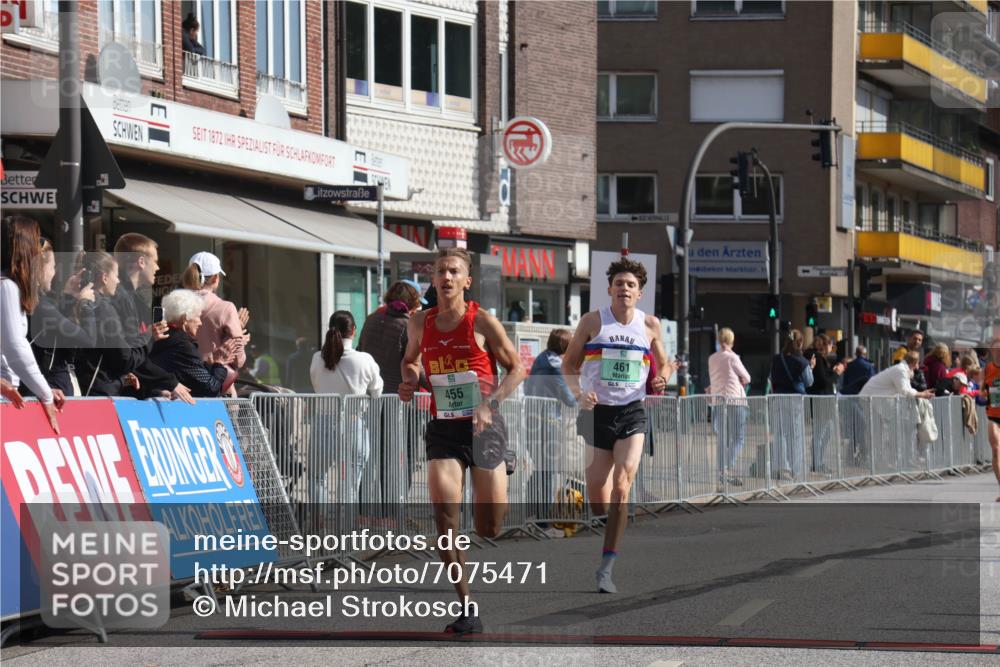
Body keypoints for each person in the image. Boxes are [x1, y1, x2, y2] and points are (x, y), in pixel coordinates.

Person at [398, 248, 526, 634]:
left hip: (485, 428)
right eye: (440, 271)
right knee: (445, 520)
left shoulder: (482, 321)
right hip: (444, 430)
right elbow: (410, 361)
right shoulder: (419, 322)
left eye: (454, 271)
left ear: (466, 281)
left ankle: (504, 464)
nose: (446, 277)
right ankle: (467, 607)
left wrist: (490, 403)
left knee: (489, 527)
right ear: (433, 280)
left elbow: (517, 369)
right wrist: (409, 380)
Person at [562, 256, 673, 595]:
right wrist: (580, 392)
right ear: (609, 289)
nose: (624, 289)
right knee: (598, 493)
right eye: (619, 284)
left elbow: (665, 364)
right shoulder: (593, 322)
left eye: (631, 285)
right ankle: (605, 520)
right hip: (597, 413)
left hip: (632, 411)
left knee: (622, 485)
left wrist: (662, 379)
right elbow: (569, 364)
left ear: (639, 294)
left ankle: (606, 567)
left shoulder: (649, 324)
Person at [311, 311, 383, 505]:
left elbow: (316, 385)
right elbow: (377, 391)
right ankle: (347, 527)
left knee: (317, 478)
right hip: (354, 422)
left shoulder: (318, 358)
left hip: (323, 423)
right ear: (354, 331)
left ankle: (320, 526)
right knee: (351, 481)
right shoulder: (364, 360)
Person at [113, 233, 193, 403]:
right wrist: (170, 382)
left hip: (122, 390)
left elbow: (134, 356)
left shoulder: (133, 299)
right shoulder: (120, 297)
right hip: (110, 394)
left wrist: (153, 389)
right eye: (155, 261)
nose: (157, 267)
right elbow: (126, 355)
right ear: (141, 262)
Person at [74, 251, 164, 398]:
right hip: (98, 393)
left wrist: (121, 378)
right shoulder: (104, 308)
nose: (118, 281)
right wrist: (149, 337)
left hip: (86, 387)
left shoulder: (77, 301)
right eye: (115, 275)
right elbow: (124, 359)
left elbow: (107, 355)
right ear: (104, 277)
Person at [1, 216, 62, 432]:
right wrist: (44, 394)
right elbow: (15, 348)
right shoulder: (7, 287)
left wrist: (42, 388)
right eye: (36, 242)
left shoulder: (8, 287)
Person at [28, 239, 96, 396]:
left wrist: (68, 297)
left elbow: (52, 328)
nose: (54, 273)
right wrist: (86, 304)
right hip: (48, 390)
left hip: (41, 387)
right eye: (52, 267)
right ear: (39, 268)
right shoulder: (39, 304)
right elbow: (88, 339)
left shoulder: (30, 300)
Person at [524, 329, 576, 534]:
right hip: (547, 423)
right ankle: (543, 520)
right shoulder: (556, 366)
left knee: (540, 468)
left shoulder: (540, 359)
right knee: (547, 470)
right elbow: (569, 399)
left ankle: (530, 512)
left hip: (530, 420)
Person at [150, 289, 240, 398]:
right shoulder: (182, 346)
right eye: (197, 316)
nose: (200, 322)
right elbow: (210, 388)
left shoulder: (161, 337)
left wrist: (209, 365)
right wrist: (220, 363)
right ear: (184, 319)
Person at [181, 251, 248, 386]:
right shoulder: (225, 308)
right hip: (215, 383)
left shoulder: (176, 305)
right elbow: (238, 360)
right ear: (215, 278)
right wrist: (238, 334)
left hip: (183, 384)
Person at [358, 279, 425, 394]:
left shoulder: (371, 319)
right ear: (412, 304)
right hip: (395, 396)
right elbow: (416, 364)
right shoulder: (408, 326)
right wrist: (437, 390)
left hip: (368, 392)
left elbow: (360, 350)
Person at [707, 327, 751, 486]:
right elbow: (747, 377)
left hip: (718, 400)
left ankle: (721, 470)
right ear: (732, 341)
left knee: (722, 438)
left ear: (719, 340)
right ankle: (727, 467)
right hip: (735, 400)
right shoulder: (732, 358)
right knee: (738, 437)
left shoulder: (712, 358)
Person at [768, 330, 813, 481]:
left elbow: (771, 377)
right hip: (795, 400)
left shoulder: (776, 359)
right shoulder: (802, 362)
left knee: (780, 434)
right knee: (795, 435)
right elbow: (809, 382)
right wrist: (810, 367)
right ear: (800, 343)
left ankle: (782, 467)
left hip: (778, 399)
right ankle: (796, 469)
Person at [805, 334, 843, 474]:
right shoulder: (818, 359)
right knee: (821, 433)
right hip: (821, 400)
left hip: (822, 400)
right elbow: (823, 381)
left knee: (826, 432)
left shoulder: (818, 359)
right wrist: (837, 374)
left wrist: (832, 372)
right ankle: (817, 463)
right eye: (830, 344)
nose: (831, 348)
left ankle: (818, 461)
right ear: (824, 345)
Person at [860, 351, 935, 399]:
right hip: (869, 398)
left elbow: (907, 389)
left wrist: (923, 393)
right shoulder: (900, 370)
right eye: (918, 363)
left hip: (872, 397)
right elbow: (904, 391)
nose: (917, 367)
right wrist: (922, 394)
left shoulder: (902, 369)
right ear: (914, 363)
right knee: (875, 423)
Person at [982, 336, 1000, 501]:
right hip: (994, 416)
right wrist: (984, 395)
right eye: (995, 349)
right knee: (995, 450)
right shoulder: (987, 369)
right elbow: (982, 391)